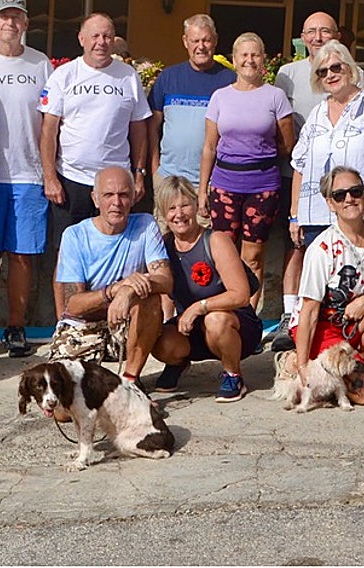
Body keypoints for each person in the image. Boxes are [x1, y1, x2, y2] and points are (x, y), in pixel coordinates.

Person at [0, 0, 53, 359]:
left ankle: (15, 328)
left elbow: (50, 120)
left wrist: (49, 171)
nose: (10, 23)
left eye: (17, 17)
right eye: (4, 17)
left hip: (29, 175)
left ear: (25, 23)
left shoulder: (41, 63)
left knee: (22, 256)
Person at [281, 166, 364, 406]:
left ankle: (344, 366)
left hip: (355, 323)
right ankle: (296, 361)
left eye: (355, 191)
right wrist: (304, 366)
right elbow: (309, 311)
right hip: (323, 327)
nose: (349, 199)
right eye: (339, 195)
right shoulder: (321, 248)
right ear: (330, 204)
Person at [40, 12, 152, 275]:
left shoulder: (128, 76)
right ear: (82, 39)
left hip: (115, 184)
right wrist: (50, 178)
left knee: (114, 250)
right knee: (66, 255)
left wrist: (139, 174)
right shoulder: (64, 75)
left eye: (107, 36)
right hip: (71, 180)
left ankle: (108, 301)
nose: (101, 42)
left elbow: (139, 130)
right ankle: (67, 304)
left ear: (114, 40)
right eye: (95, 36)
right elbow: (48, 130)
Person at [53, 166, 173, 383]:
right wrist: (113, 291)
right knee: (62, 398)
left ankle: (130, 381)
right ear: (95, 199)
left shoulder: (146, 224)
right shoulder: (75, 236)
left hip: (125, 323)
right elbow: (72, 305)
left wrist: (127, 290)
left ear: (133, 197)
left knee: (151, 300)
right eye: (108, 195)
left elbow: (165, 281)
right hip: (84, 325)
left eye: (123, 195)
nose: (116, 202)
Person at [199, 32, 295, 305]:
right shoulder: (220, 97)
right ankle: (224, 310)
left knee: (253, 256)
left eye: (255, 55)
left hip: (262, 186)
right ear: (234, 59)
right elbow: (209, 147)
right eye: (244, 55)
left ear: (263, 59)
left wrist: (259, 157)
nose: (249, 60)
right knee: (224, 253)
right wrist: (202, 190)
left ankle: (248, 317)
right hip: (224, 184)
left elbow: (288, 143)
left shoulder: (275, 96)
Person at [150, 175, 262, 402]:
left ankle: (233, 374)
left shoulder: (216, 240)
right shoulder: (163, 246)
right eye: (171, 208)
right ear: (163, 214)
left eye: (184, 205)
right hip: (192, 327)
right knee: (159, 340)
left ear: (195, 206)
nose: (179, 214)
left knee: (215, 320)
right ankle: (178, 362)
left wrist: (199, 307)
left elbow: (241, 295)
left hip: (233, 324)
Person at [271, 12, 345, 349]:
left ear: (337, 35)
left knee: (338, 248)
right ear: (301, 37)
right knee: (297, 245)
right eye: (311, 31)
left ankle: (330, 315)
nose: (317, 37)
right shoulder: (286, 74)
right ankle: (290, 315)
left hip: (340, 182)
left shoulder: (350, 71)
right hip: (297, 174)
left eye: (324, 31)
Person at [290, 40, 364, 252]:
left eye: (335, 67)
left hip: (358, 215)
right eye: (322, 72)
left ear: (349, 68)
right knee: (320, 273)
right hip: (316, 218)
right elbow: (299, 165)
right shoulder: (317, 113)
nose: (330, 75)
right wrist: (295, 215)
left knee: (358, 272)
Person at [148, 14, 234, 184]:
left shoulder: (230, 81)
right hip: (169, 180)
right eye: (195, 41)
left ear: (215, 40)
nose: (201, 46)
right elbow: (152, 128)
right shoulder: (168, 78)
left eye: (206, 40)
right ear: (185, 41)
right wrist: (155, 170)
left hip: (212, 182)